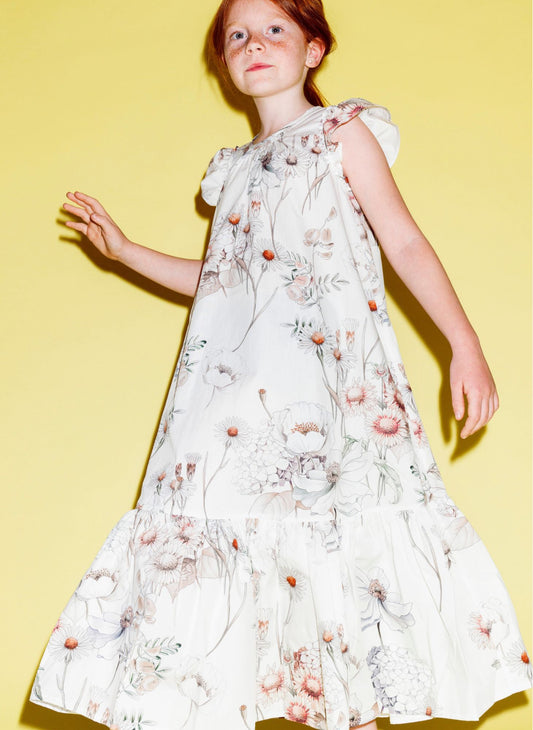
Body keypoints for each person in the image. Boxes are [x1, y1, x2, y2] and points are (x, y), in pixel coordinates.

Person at [30, 0, 532, 728]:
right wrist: (126, 251)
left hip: (325, 394)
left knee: (332, 556)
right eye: (237, 35)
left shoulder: (339, 133)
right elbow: (224, 279)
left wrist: (465, 343)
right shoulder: (230, 171)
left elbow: (404, 241)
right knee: (243, 560)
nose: (253, 44)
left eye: (274, 30)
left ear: (313, 49)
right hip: (229, 402)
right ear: (224, 62)